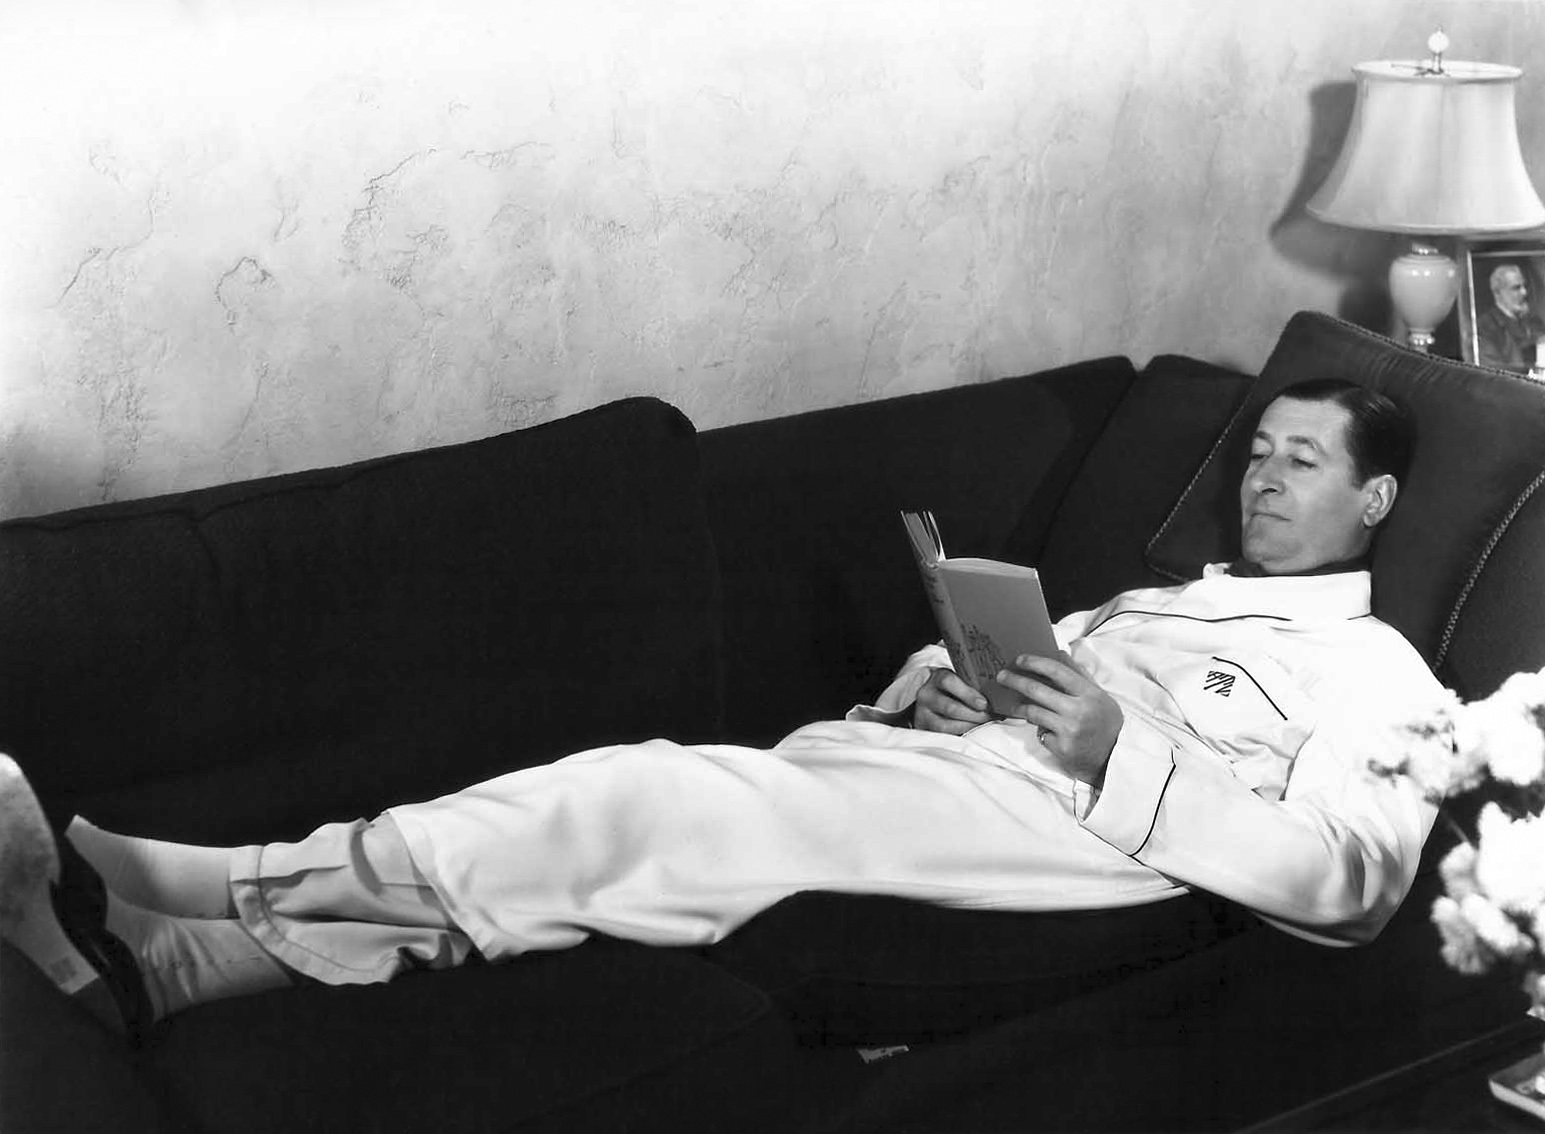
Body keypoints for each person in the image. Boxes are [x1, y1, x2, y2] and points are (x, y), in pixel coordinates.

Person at [0, 378, 1443, 1043]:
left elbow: (1353, 885)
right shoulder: (1140, 607)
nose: (1263, 481)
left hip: (1093, 840)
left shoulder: (1386, 681)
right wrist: (938, 694)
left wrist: (1117, 752)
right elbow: (985, 688)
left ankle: (222, 885)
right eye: (1258, 453)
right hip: (958, 778)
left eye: (1302, 462)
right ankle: (173, 966)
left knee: (646, 794)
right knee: (631, 824)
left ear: (1375, 498)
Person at [1476, 263, 1545, 373]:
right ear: (1497, 292)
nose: (1524, 292)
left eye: (1524, 286)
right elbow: (1491, 369)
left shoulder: (1534, 322)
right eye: (1516, 288)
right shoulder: (1484, 327)